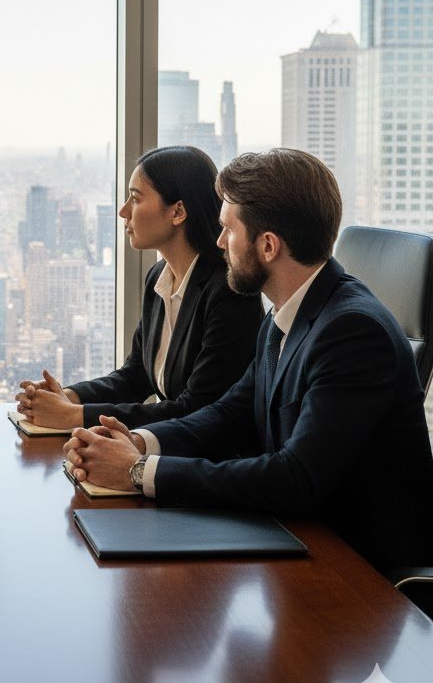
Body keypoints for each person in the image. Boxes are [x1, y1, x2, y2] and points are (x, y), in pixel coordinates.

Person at [64, 148, 433, 572]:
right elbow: (229, 414)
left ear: (269, 245)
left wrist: (139, 472)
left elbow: (296, 479)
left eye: (228, 230)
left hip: (360, 577)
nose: (219, 243)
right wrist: (139, 443)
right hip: (297, 541)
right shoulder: (284, 315)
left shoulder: (351, 333)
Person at [16, 146, 263, 430]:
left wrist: (75, 416)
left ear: (178, 211)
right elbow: (135, 377)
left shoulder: (227, 291)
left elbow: (197, 408)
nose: (123, 211)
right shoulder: (159, 277)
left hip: (206, 458)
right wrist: (67, 397)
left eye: (135, 198)